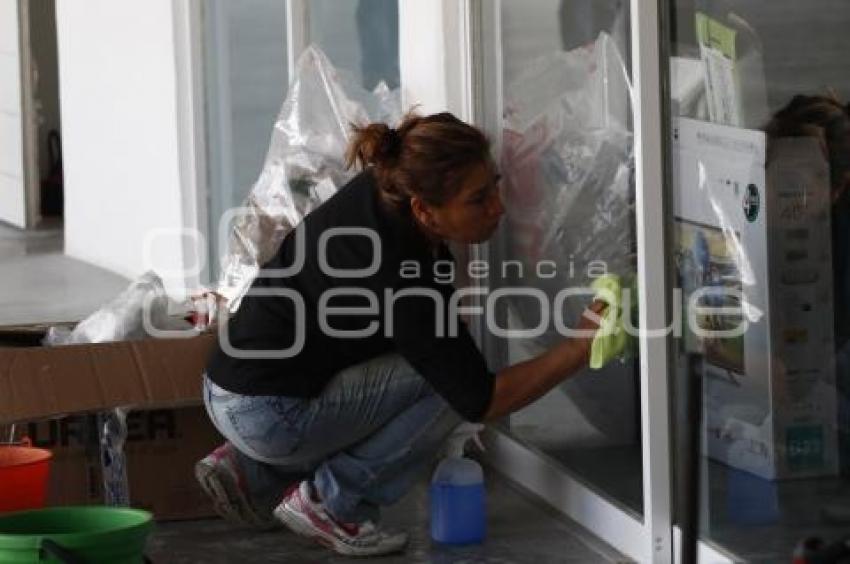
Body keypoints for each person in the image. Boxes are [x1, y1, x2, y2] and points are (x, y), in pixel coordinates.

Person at [196, 111, 605, 557]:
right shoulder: (400, 275)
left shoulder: (384, 188)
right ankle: (332, 502)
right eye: (478, 199)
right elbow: (482, 399)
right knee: (446, 386)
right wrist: (577, 349)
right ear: (424, 210)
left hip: (229, 385)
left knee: (427, 369)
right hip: (267, 411)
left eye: (495, 184)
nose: (498, 206)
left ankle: (252, 472)